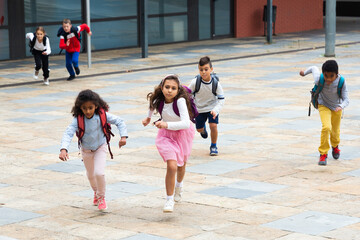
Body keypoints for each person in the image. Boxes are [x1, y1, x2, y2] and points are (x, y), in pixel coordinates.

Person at [59, 89, 128, 211]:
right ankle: (96, 192)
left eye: (90, 107)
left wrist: (123, 136)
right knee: (91, 176)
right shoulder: (78, 119)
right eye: (84, 108)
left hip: (100, 148)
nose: (87, 111)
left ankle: (101, 198)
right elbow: (68, 133)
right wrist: (63, 149)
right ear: (79, 107)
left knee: (99, 173)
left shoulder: (102, 115)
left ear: (96, 105)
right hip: (86, 150)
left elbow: (119, 121)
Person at [142, 74, 195, 213]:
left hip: (183, 134)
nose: (169, 91)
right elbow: (152, 105)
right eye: (167, 87)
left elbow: (185, 123)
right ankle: (169, 199)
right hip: (166, 135)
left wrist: (166, 124)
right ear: (162, 87)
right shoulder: (159, 99)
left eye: (173, 88)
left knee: (181, 165)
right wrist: (148, 118)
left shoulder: (180, 101)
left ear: (178, 90)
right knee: (172, 166)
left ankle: (179, 185)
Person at [300, 60, 349, 165]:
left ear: (337, 74)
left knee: (335, 131)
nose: (328, 79)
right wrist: (304, 73)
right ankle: (323, 153)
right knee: (326, 127)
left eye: (331, 76)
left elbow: (346, 99)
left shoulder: (342, 81)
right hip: (323, 105)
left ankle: (335, 146)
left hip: (337, 107)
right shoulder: (319, 79)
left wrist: (341, 106)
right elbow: (314, 68)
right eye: (326, 75)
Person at [188, 56, 225, 156]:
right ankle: (202, 129)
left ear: (211, 69)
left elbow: (221, 99)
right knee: (199, 129)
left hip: (212, 108)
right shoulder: (195, 82)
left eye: (206, 69)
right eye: (201, 70)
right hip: (199, 109)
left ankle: (213, 146)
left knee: (213, 125)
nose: (203, 72)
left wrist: (216, 110)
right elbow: (188, 93)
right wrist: (191, 106)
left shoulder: (216, 83)